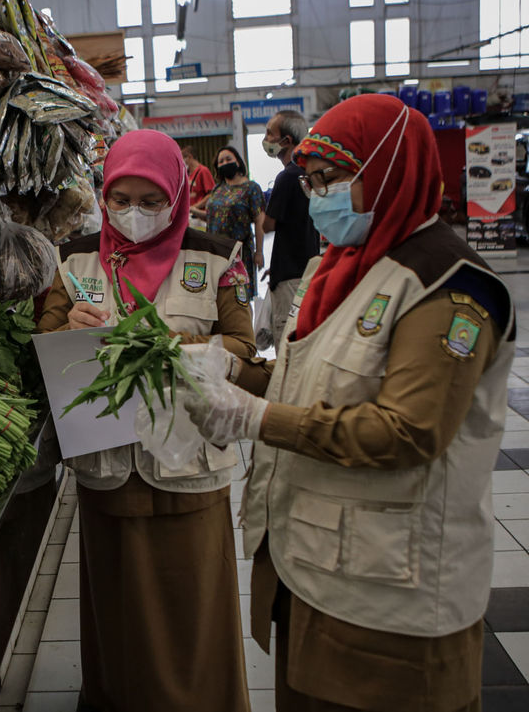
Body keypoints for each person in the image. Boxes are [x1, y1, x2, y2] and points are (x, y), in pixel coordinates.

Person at [181, 95, 514, 712]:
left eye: (332, 179)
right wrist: (237, 369)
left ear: (390, 169)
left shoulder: (447, 285)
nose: (316, 196)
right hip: (316, 566)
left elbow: (409, 431)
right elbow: (315, 375)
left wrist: (258, 420)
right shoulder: (341, 266)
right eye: (309, 181)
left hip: (393, 592)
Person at [36, 129, 254, 712]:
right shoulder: (74, 259)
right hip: (107, 465)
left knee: (194, 610)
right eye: (121, 199)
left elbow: (244, 347)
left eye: (152, 200)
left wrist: (174, 345)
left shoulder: (214, 256)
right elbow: (42, 347)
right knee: (120, 615)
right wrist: (69, 334)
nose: (134, 214)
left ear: (178, 195)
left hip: (189, 466)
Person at [261, 109, 321, 346]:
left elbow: (268, 224)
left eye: (270, 133)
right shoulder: (307, 175)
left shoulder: (286, 178)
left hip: (289, 280)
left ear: (286, 140)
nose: (266, 139)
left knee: (286, 344)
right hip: (306, 270)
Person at [196, 146, 266, 300]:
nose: (225, 163)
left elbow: (260, 219)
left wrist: (259, 252)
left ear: (238, 162)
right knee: (219, 297)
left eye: (228, 159)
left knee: (240, 297)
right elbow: (212, 216)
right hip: (215, 252)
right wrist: (193, 211)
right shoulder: (218, 189)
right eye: (221, 161)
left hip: (238, 253)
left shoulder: (251, 188)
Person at [182, 144, 216, 209]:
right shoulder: (186, 173)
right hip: (190, 213)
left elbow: (211, 195)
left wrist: (194, 207)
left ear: (190, 157)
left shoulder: (203, 171)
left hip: (200, 213)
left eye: (182, 158)